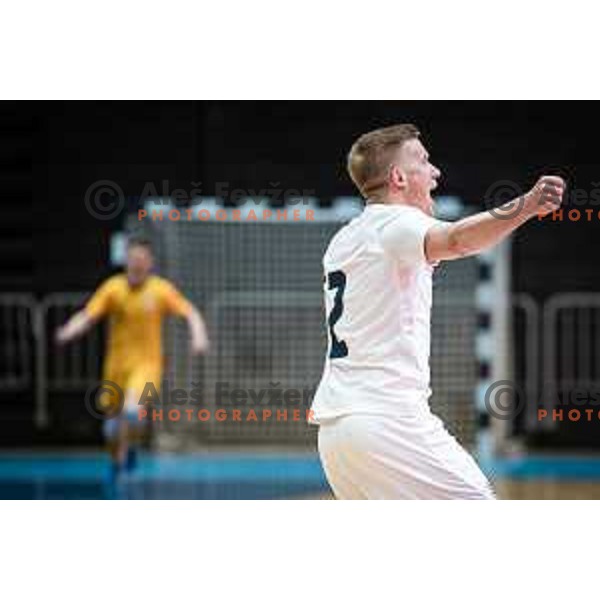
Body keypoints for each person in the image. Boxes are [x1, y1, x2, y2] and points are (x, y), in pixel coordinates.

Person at [311, 123, 564, 499]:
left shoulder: (345, 239)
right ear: (398, 177)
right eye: (424, 161)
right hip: (389, 420)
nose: (436, 172)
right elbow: (458, 239)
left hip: (336, 433)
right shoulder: (396, 223)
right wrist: (526, 205)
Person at [55, 237, 209, 482]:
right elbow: (88, 315)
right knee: (111, 432)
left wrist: (199, 335)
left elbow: (190, 311)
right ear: (126, 260)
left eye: (142, 259)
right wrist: (68, 330)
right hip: (116, 367)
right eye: (133, 259)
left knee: (133, 411)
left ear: (150, 263)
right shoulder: (113, 288)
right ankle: (120, 461)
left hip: (148, 365)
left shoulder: (160, 290)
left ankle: (132, 446)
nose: (137, 264)